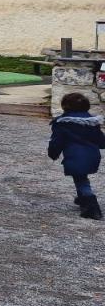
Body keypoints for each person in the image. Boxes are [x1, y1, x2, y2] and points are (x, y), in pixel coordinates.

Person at [48, 92, 105, 220]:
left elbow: (56, 141)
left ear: (65, 106)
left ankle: (91, 207)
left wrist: (53, 153)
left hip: (74, 157)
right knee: (81, 177)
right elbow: (101, 142)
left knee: (81, 180)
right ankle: (82, 198)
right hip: (92, 156)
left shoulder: (62, 123)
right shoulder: (92, 123)